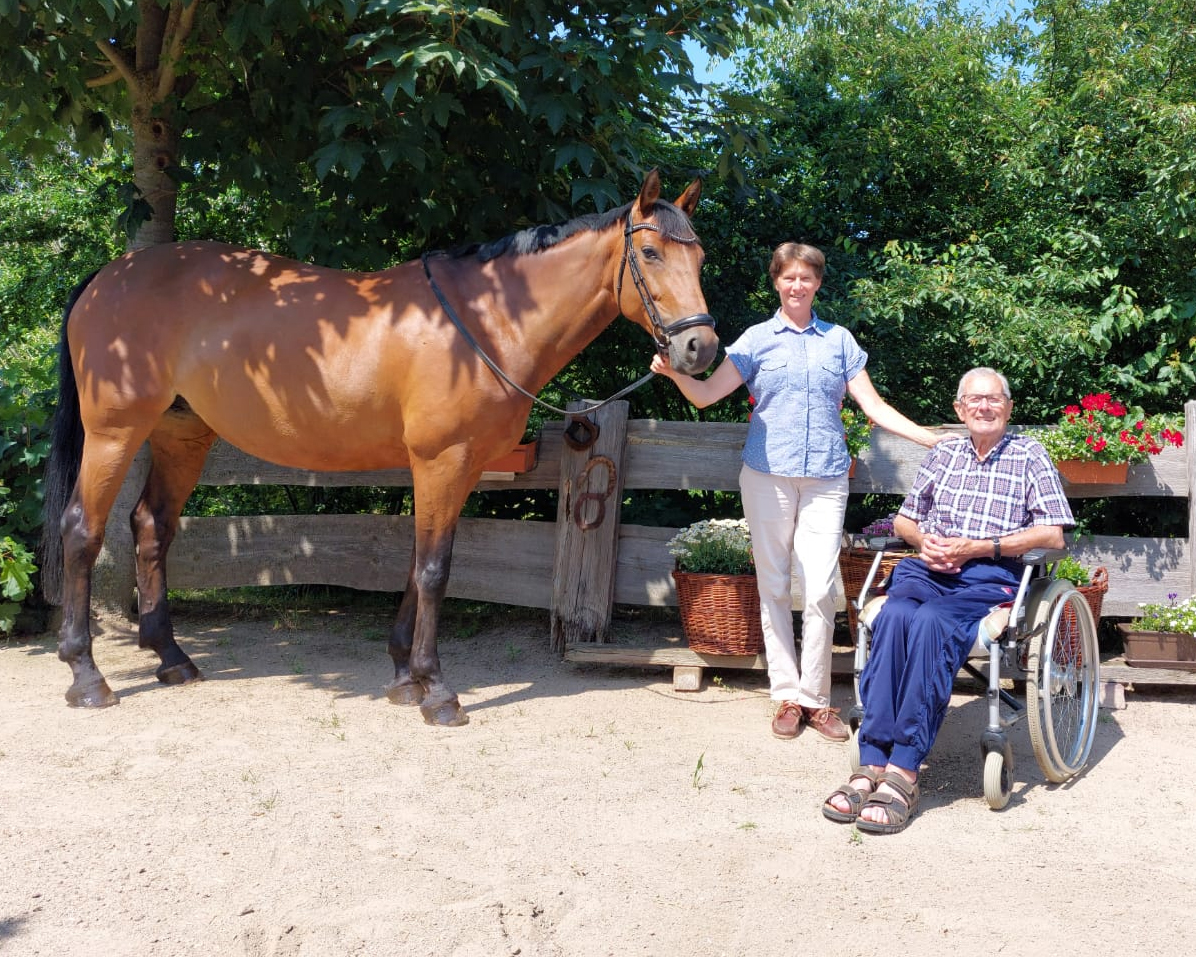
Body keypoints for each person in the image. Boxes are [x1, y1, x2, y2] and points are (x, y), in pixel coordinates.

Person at [651, 242, 940, 742]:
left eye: (806, 278)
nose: (797, 286)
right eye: (789, 278)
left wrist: (934, 441)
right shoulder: (755, 340)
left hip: (827, 478)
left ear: (818, 284)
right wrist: (673, 372)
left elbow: (874, 408)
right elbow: (704, 394)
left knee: (823, 585)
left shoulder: (840, 341)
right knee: (775, 585)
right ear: (777, 282)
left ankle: (818, 699)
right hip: (766, 476)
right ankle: (785, 695)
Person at [821, 367, 1074, 833]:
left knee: (934, 622)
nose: (984, 407)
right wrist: (925, 542)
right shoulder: (945, 453)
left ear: (1008, 407)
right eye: (973, 400)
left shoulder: (1029, 455)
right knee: (894, 614)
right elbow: (904, 521)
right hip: (929, 567)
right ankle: (872, 759)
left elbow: (1053, 534)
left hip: (989, 573)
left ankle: (904, 768)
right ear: (959, 409)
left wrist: (980, 547)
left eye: (993, 399)